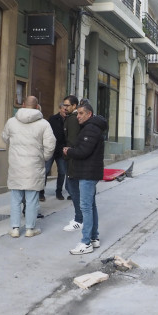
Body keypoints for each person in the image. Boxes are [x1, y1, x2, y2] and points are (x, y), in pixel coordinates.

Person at [2, 95, 55, 238]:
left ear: (23, 104)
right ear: (37, 106)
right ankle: (30, 229)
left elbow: (5, 138)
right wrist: (42, 158)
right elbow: (50, 145)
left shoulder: (11, 122)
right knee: (32, 199)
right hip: (34, 166)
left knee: (15, 199)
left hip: (16, 165)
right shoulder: (44, 124)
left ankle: (14, 228)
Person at [63, 102, 107, 255]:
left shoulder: (91, 129)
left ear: (89, 114)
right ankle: (94, 238)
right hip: (89, 172)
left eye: (81, 113)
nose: (78, 117)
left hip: (88, 173)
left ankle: (86, 242)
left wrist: (69, 151)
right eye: (77, 113)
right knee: (90, 205)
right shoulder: (91, 128)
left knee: (86, 207)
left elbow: (83, 152)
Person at [62, 95, 83, 232]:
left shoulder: (73, 120)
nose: (65, 107)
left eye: (68, 105)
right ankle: (79, 217)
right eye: (64, 105)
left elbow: (72, 140)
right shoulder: (70, 119)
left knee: (75, 190)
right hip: (72, 158)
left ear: (74, 106)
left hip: (73, 160)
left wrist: (68, 154)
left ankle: (79, 219)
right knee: (74, 190)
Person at [44, 103, 68, 201]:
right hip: (51, 149)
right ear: (60, 109)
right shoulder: (53, 119)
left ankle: (59, 192)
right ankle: (41, 192)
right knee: (45, 171)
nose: (65, 111)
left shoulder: (69, 120)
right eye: (64, 109)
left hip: (61, 151)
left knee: (62, 172)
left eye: (66, 109)